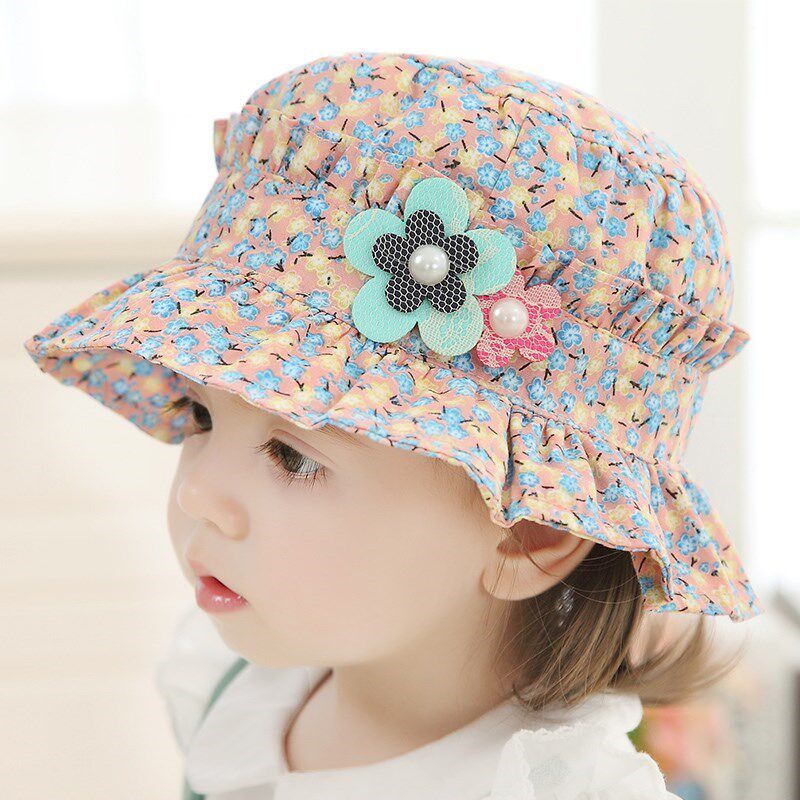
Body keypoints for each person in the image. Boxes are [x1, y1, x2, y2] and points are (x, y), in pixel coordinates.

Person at [23, 50, 762, 799]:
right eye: (201, 415)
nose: (197, 493)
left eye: (291, 456)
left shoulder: (543, 787)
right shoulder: (235, 690)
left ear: (530, 532)